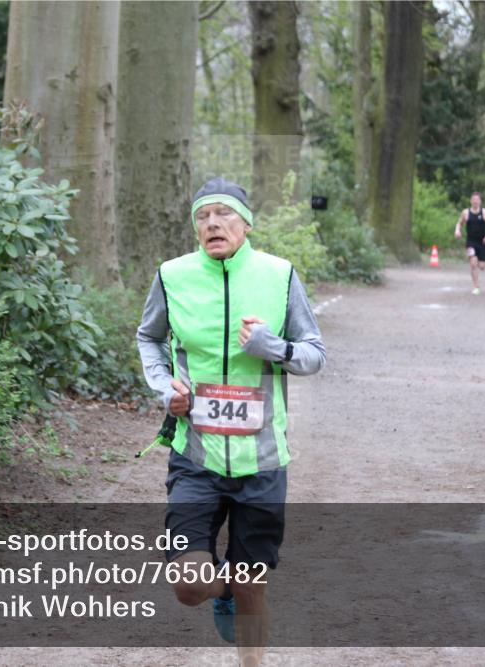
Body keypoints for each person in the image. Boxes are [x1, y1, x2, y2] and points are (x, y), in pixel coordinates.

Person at [136, 177, 326, 666]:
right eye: (203, 215)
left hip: (262, 461)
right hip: (195, 455)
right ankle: (222, 587)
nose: (213, 223)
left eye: (223, 214)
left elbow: (313, 355)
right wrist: (165, 389)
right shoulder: (172, 276)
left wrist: (272, 347)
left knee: (252, 586)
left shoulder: (279, 275)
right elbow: (148, 338)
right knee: (190, 584)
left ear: (246, 223)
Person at [454, 191, 485, 294]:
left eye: (477, 200)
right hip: (471, 242)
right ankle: (476, 286)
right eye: (473, 200)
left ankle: (478, 261)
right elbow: (459, 223)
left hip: (482, 242)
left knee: (482, 266)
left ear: (480, 201)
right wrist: (457, 230)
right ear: (470, 201)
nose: (475, 202)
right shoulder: (466, 213)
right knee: (473, 263)